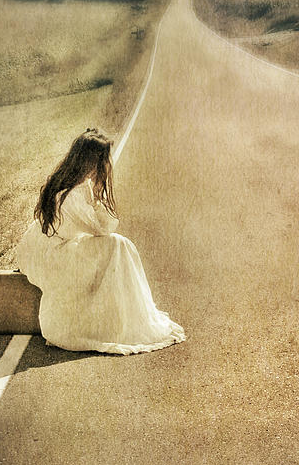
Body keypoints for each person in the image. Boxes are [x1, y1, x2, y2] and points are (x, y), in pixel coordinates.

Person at [16, 128, 185, 354]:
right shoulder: (73, 193)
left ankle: (122, 313)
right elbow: (105, 228)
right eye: (103, 160)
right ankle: (122, 319)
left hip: (47, 249)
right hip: (55, 257)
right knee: (117, 245)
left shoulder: (68, 184)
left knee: (118, 245)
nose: (106, 166)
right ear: (91, 162)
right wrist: (97, 195)